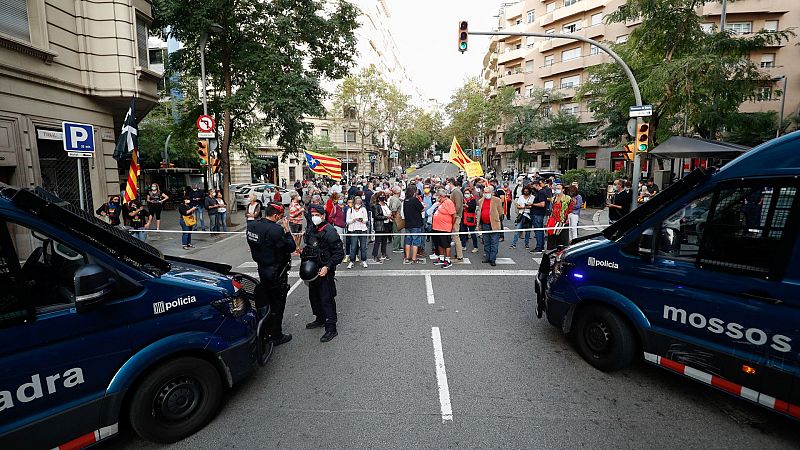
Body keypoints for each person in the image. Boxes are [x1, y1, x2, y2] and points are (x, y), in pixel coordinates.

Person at [247, 202, 296, 346]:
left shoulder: (252, 226)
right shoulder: (276, 230)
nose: (282, 219)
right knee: (278, 303)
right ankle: (276, 335)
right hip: (276, 271)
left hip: (262, 268)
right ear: (276, 215)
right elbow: (290, 247)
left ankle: (266, 329)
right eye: (281, 216)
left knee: (266, 300)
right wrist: (287, 230)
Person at [303, 204, 344, 342]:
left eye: (317, 215)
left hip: (325, 271)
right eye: (312, 215)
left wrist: (328, 266)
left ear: (323, 216)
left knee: (326, 299)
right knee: (314, 298)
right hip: (313, 272)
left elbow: (339, 253)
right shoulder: (311, 229)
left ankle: (331, 328)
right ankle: (319, 318)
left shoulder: (330, 231)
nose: (314, 218)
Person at [476, 185, 503, 266]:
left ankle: (492, 259)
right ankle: (487, 257)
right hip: (485, 224)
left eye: (488, 192)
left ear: (492, 193)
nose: (486, 194)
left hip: (494, 224)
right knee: (486, 242)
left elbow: (501, 212)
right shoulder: (481, 201)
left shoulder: (497, 200)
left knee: (494, 242)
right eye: (485, 192)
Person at [431, 189, 456, 269]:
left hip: (445, 227)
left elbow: (454, 215)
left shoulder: (448, 202)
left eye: (438, 196)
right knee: (439, 243)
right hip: (437, 227)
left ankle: (448, 260)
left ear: (441, 196)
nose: (437, 198)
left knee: (446, 244)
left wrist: (452, 225)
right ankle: (441, 258)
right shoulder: (441, 203)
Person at [547, 184, 573, 250]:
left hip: (563, 221)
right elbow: (551, 209)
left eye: (559, 188)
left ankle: (562, 251)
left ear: (563, 189)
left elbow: (570, 209)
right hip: (554, 220)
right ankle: (552, 251)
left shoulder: (567, 198)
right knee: (552, 237)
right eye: (556, 188)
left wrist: (566, 218)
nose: (557, 190)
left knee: (562, 238)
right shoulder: (554, 198)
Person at [402, 185, 424, 264]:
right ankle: (414, 258)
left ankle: (407, 257)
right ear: (414, 192)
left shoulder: (405, 200)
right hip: (416, 223)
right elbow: (421, 208)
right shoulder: (415, 200)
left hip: (408, 223)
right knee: (416, 240)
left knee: (408, 240)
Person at [346, 196, 369, 269]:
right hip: (353, 229)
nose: (358, 203)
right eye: (357, 202)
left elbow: (366, 219)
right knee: (353, 246)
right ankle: (351, 261)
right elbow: (347, 221)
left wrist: (361, 220)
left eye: (360, 202)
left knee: (363, 246)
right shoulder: (350, 210)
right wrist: (353, 220)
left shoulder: (363, 209)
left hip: (362, 229)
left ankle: (364, 260)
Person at [447, 178, 464, 262]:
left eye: (448, 184)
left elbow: (457, 205)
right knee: (455, 236)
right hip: (456, 215)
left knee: (456, 236)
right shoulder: (455, 191)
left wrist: (454, 215)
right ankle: (458, 254)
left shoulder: (456, 192)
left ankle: (459, 255)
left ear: (451, 183)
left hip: (456, 216)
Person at [371, 192, 391, 263]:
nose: (383, 197)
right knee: (377, 241)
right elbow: (376, 216)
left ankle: (384, 253)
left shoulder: (386, 204)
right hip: (379, 225)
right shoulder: (376, 206)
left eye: (383, 195)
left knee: (384, 241)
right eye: (381, 196)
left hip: (387, 224)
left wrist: (390, 216)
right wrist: (386, 217)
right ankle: (375, 255)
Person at [529, 181, 549, 254]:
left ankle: (539, 247)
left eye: (533, 186)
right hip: (538, 214)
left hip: (538, 214)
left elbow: (542, 204)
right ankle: (541, 247)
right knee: (539, 231)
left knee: (538, 231)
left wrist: (533, 204)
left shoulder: (541, 192)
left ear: (537, 185)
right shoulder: (541, 192)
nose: (533, 188)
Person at [388, 187, 404, 254]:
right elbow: (394, 208)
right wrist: (394, 215)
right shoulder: (395, 200)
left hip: (396, 216)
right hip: (396, 216)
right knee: (397, 232)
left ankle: (398, 246)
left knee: (398, 231)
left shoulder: (393, 198)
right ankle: (396, 247)